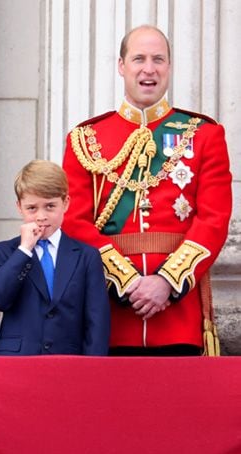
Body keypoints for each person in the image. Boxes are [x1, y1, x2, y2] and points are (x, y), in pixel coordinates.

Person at [61, 25, 232, 356]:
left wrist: (166, 282)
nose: (149, 69)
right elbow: (73, 222)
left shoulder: (205, 135)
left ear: (169, 67)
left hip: (178, 318)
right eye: (139, 59)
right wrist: (128, 283)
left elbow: (214, 220)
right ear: (121, 65)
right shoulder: (86, 139)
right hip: (109, 317)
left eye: (158, 59)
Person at [0, 160, 110, 355]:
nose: (41, 216)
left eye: (50, 206)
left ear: (66, 203)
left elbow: (97, 320)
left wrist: (93, 370)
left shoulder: (86, 256)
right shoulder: (3, 252)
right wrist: (24, 250)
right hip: (17, 362)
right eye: (32, 208)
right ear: (19, 207)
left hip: (68, 362)